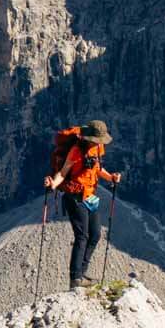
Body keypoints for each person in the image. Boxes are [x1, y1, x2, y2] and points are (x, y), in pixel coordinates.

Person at [44, 120, 122, 288]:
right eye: (97, 139)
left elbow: (97, 168)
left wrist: (111, 178)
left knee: (95, 235)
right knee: (82, 236)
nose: (99, 142)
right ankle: (75, 279)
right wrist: (53, 184)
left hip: (90, 196)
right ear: (89, 137)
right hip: (74, 197)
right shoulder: (76, 150)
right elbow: (64, 172)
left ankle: (82, 273)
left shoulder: (97, 148)